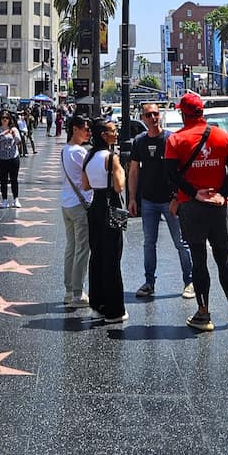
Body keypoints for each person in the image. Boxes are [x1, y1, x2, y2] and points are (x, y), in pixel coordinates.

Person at [165, 91, 228, 332]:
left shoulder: (175, 140)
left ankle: (204, 314)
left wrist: (193, 192)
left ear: (183, 113)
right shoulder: (222, 136)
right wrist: (223, 193)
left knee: (199, 261)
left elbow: (171, 174)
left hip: (191, 207)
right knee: (224, 260)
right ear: (202, 112)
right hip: (219, 208)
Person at [127, 102, 194, 300]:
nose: (153, 118)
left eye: (156, 114)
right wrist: (132, 198)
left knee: (181, 242)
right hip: (148, 201)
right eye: (149, 115)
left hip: (170, 200)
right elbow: (133, 171)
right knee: (149, 243)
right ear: (143, 117)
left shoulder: (171, 139)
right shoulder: (139, 141)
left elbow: (183, 169)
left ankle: (189, 281)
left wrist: (178, 196)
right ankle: (149, 282)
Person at [81, 117, 127, 323]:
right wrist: (122, 171)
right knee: (113, 256)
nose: (116, 133)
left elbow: (85, 185)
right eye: (112, 131)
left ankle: (97, 304)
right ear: (103, 135)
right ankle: (114, 310)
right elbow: (119, 186)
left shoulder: (89, 156)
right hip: (112, 204)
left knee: (97, 255)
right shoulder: (111, 157)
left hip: (96, 206)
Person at [59, 113, 92, 307]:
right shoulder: (79, 152)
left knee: (70, 247)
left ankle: (68, 290)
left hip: (66, 203)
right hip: (80, 205)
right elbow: (92, 174)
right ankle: (78, 293)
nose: (88, 132)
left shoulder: (65, 150)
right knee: (82, 249)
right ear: (75, 129)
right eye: (85, 129)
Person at [0, 109, 23, 207]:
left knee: (14, 179)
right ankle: (4, 199)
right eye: (3, 118)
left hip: (13, 157)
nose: (5, 120)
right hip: (1, 158)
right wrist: (5, 133)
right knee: (3, 179)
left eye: (6, 118)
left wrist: (14, 135)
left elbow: (19, 141)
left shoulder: (14, 129)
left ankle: (16, 199)